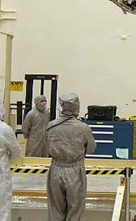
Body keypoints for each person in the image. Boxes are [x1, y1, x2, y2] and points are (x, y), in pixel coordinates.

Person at [46, 93, 96, 221]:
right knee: (75, 210)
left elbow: (47, 147)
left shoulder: (51, 126)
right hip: (75, 171)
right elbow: (91, 149)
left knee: (55, 209)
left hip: (55, 170)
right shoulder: (83, 128)